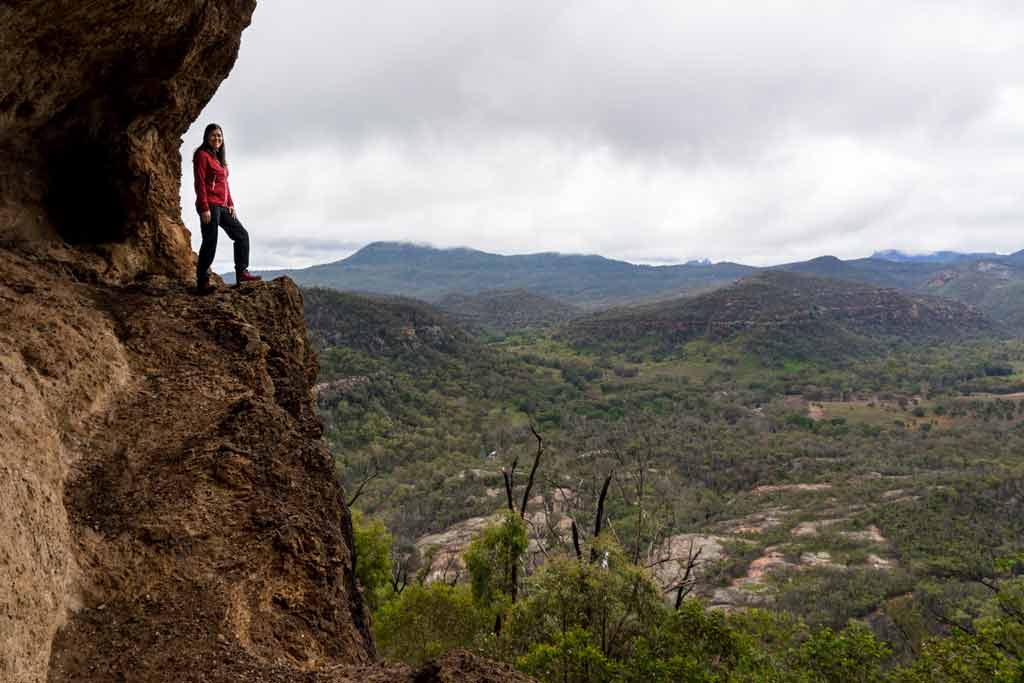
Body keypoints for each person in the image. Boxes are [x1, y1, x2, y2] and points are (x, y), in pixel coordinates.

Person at [193, 123, 261, 292]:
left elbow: (225, 185)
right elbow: (199, 182)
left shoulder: (219, 159)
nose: (217, 138)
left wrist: (230, 204)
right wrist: (204, 208)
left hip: (222, 206)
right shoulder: (202, 155)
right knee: (210, 241)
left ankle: (242, 274)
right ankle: (202, 282)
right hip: (209, 205)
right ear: (207, 137)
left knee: (242, 235)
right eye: (214, 135)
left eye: (220, 136)